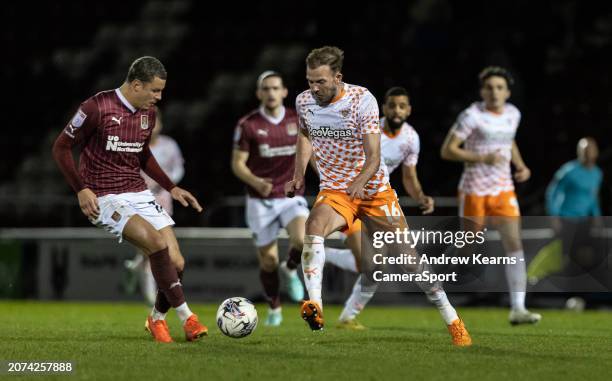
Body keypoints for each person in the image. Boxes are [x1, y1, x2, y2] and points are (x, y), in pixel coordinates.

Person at [286, 46, 471, 346]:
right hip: (336, 190)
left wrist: (360, 181)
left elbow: (374, 156)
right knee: (313, 228)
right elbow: (304, 135)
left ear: (338, 77)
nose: (314, 87)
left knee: (409, 262)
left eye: (320, 81)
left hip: (374, 191)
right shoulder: (304, 101)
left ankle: (452, 319)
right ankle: (315, 306)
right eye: (310, 81)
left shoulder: (362, 100)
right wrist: (297, 175)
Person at [52, 56, 207, 343]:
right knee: (157, 245)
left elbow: (142, 154)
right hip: (104, 197)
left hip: (137, 192)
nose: (159, 97)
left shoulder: (149, 114)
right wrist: (80, 189)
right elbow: (61, 148)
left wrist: (170, 187)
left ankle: (157, 319)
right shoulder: (96, 107)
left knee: (177, 262)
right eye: (155, 91)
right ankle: (188, 317)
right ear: (136, 85)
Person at [326, 86, 436, 330]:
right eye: (392, 105)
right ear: (384, 108)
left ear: (408, 110)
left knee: (374, 266)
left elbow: (409, 177)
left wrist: (420, 197)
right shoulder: (368, 128)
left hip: (376, 202)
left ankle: (346, 316)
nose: (396, 110)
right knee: (368, 262)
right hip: (349, 199)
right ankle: (320, 254)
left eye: (402, 106)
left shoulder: (410, 138)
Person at [440, 66, 541, 325]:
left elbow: (509, 141)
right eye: (489, 87)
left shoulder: (513, 114)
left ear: (507, 92)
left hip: (503, 189)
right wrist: (482, 157)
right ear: (482, 91)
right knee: (468, 245)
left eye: (499, 87)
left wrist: (520, 165)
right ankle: (431, 272)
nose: (494, 92)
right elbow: (448, 151)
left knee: (514, 244)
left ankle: (518, 308)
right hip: (474, 190)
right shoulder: (471, 116)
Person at [124, 109, 185, 306]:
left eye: (155, 120)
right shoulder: (132, 145)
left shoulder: (169, 145)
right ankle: (153, 298)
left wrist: (166, 182)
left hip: (162, 200)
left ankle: (135, 266)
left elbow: (178, 168)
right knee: (153, 246)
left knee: (158, 246)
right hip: (138, 199)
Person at [528, 137, 603, 283]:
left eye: (590, 150)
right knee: (563, 256)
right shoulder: (568, 171)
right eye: (584, 150)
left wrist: (597, 217)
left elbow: (593, 198)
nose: (587, 153)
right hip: (566, 220)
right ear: (579, 152)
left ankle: (580, 291)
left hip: (584, 221)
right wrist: (554, 217)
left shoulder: (597, 173)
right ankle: (540, 284)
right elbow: (552, 193)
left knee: (584, 257)